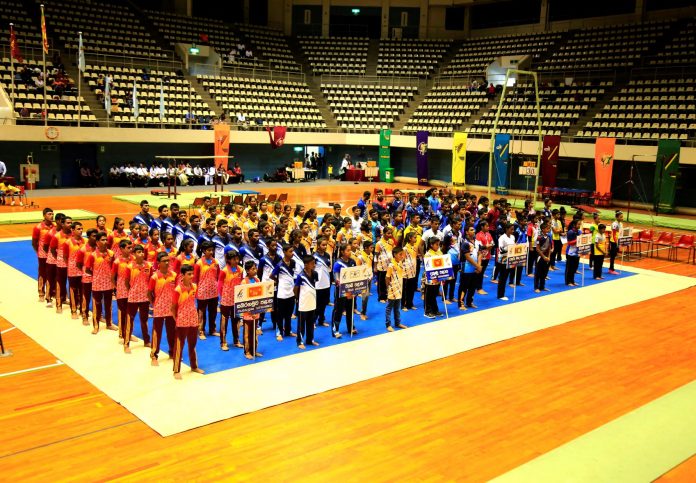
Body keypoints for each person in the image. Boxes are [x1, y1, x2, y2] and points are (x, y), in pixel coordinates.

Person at [172, 265, 205, 379]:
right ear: (182, 275)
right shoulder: (178, 289)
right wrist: (177, 319)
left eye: (192, 274)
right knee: (179, 345)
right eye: (189, 274)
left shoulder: (194, 286)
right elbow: (173, 307)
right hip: (182, 320)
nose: (191, 276)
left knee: (192, 344)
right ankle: (176, 370)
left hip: (193, 319)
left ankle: (194, 366)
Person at [85, 231, 117, 334]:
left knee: (108, 305)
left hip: (108, 284)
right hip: (97, 284)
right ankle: (96, 326)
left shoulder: (111, 253)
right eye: (102, 240)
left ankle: (109, 324)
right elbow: (87, 269)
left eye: (106, 239)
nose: (105, 241)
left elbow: (114, 268)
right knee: (97, 305)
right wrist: (96, 275)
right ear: (97, 242)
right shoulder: (93, 255)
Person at [148, 252, 177, 365]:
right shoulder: (154, 277)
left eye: (168, 260)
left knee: (172, 331)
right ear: (158, 263)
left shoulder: (174, 275)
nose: (167, 263)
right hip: (159, 308)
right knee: (157, 332)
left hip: (171, 309)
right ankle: (154, 355)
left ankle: (172, 352)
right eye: (164, 261)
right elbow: (149, 293)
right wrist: (154, 303)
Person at [123, 245, 152, 353]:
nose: (141, 254)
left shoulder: (148, 265)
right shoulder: (130, 266)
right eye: (139, 252)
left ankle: (146, 341)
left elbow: (151, 281)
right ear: (134, 254)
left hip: (145, 297)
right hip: (133, 297)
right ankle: (126, 344)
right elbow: (126, 282)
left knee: (144, 320)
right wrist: (132, 291)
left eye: (142, 252)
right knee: (130, 320)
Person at [194, 241, 220, 339]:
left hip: (213, 291)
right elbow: (195, 278)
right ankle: (201, 331)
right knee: (201, 312)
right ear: (204, 251)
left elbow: (218, 276)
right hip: (202, 291)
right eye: (209, 250)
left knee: (213, 311)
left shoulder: (215, 262)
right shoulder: (199, 263)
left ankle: (212, 329)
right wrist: (195, 291)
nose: (211, 252)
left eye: (212, 250)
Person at [218, 249, 243, 351]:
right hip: (226, 300)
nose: (236, 261)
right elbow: (220, 284)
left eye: (237, 259)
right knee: (224, 321)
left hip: (236, 299)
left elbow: (241, 282)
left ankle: (236, 341)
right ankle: (223, 342)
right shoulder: (224, 271)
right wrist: (221, 297)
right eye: (234, 259)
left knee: (236, 320)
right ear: (228, 260)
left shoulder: (240, 270)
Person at [271, 243, 297, 341]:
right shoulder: (279, 265)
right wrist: (279, 282)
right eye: (290, 251)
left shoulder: (293, 262)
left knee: (289, 313)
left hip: (291, 292)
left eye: (293, 251)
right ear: (284, 252)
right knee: (280, 314)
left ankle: (288, 331)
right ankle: (279, 332)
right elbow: (271, 276)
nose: (292, 253)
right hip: (281, 293)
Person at [295, 255, 319, 349]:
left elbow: (313, 287)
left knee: (311, 323)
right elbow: (295, 289)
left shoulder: (315, 274)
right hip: (303, 303)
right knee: (301, 324)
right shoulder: (300, 276)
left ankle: (310, 340)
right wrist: (298, 299)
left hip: (312, 302)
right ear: (306, 265)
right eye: (312, 263)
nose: (314, 265)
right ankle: (300, 341)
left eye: (314, 263)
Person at [332, 243, 356, 338]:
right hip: (341, 291)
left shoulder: (352, 261)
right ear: (342, 252)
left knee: (350, 309)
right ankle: (335, 330)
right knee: (339, 310)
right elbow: (336, 278)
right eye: (348, 250)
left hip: (351, 290)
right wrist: (342, 285)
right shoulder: (338, 264)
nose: (350, 252)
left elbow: (356, 275)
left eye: (350, 250)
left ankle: (351, 327)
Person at [240, 261, 263, 359]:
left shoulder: (257, 280)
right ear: (247, 270)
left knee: (254, 332)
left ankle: (254, 350)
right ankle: (247, 352)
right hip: (247, 312)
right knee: (247, 333)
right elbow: (242, 298)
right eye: (253, 269)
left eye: (255, 268)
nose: (255, 270)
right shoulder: (244, 282)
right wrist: (248, 310)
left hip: (256, 311)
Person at [63, 221, 85, 320]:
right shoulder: (67, 243)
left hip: (83, 270)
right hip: (72, 270)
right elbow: (65, 256)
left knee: (82, 290)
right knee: (73, 290)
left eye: (81, 229)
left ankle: (82, 310)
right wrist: (70, 265)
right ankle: (74, 310)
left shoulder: (85, 241)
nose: (81, 231)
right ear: (72, 230)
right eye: (78, 229)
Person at [32, 208, 54, 303]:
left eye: (52, 214)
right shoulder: (38, 227)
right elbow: (34, 242)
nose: (51, 216)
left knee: (52, 274)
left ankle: (52, 292)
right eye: (49, 214)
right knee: (42, 274)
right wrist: (39, 252)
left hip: (52, 255)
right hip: (42, 255)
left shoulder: (54, 226)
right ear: (44, 215)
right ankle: (41, 292)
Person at [459, 225, 481, 309]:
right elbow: (467, 257)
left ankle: (469, 302)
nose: (474, 231)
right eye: (471, 230)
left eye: (474, 229)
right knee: (464, 287)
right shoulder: (465, 243)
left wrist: (479, 265)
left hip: (475, 269)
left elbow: (480, 253)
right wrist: (477, 266)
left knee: (473, 287)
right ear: (467, 232)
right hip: (466, 268)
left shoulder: (477, 242)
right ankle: (461, 304)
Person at [385, 246, 407, 332]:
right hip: (392, 289)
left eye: (402, 254)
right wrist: (388, 289)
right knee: (389, 308)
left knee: (397, 308)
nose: (402, 256)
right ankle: (388, 325)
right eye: (400, 254)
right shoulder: (391, 265)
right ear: (394, 255)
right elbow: (387, 278)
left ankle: (398, 323)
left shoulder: (400, 262)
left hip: (399, 288)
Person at [312, 237, 332, 328]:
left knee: (324, 303)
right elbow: (312, 269)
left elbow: (329, 267)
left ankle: (321, 320)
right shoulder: (314, 256)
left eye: (326, 245)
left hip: (326, 282)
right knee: (317, 304)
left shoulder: (327, 255)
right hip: (318, 284)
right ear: (318, 246)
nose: (325, 246)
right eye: (323, 245)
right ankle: (313, 321)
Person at [423, 237, 443, 319]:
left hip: (438, 277)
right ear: (431, 245)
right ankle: (427, 311)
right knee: (428, 295)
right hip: (430, 278)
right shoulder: (428, 254)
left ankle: (435, 310)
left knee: (434, 294)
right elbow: (427, 267)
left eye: (439, 244)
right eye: (436, 244)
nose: (438, 246)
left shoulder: (440, 252)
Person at [495, 223, 515, 301]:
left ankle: (503, 292)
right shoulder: (502, 238)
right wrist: (510, 248)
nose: (513, 231)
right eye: (511, 229)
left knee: (507, 276)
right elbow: (501, 249)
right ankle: (500, 295)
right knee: (502, 277)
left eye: (513, 229)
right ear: (506, 229)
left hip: (510, 258)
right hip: (503, 259)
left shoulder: (513, 237)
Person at [534, 222, 552, 293]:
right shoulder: (539, 237)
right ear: (543, 229)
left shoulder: (549, 237)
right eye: (547, 228)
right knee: (538, 273)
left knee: (544, 272)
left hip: (546, 257)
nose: (548, 230)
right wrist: (543, 256)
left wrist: (549, 256)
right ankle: (536, 287)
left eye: (549, 228)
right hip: (540, 257)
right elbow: (537, 249)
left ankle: (542, 286)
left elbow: (549, 247)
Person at [565, 219, 580, 286]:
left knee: (574, 268)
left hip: (577, 252)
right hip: (570, 252)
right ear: (574, 225)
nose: (579, 225)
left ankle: (572, 281)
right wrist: (578, 240)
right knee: (569, 268)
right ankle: (568, 282)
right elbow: (569, 243)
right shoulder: (570, 232)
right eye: (578, 224)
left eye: (580, 224)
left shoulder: (579, 231)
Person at [609, 210, 623, 275]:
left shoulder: (621, 224)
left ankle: (611, 268)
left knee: (614, 255)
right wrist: (616, 242)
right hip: (613, 241)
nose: (622, 218)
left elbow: (620, 232)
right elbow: (614, 234)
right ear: (617, 217)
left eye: (622, 217)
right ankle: (611, 269)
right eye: (620, 217)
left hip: (617, 240)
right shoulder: (614, 224)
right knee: (612, 255)